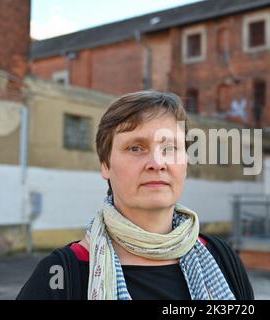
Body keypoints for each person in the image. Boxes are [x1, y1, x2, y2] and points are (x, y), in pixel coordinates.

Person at [16, 90, 254, 300]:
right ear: (105, 165)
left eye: (170, 148)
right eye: (136, 148)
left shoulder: (221, 258)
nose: (157, 163)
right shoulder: (63, 274)